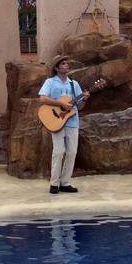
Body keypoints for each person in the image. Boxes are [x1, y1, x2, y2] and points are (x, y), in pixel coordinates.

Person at [38, 55, 90, 194]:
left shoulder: (74, 84)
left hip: (72, 122)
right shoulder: (50, 82)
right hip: (57, 121)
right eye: (64, 63)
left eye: (67, 63)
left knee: (72, 153)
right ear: (57, 68)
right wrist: (61, 103)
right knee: (58, 152)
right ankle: (54, 183)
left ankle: (65, 183)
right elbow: (42, 98)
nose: (67, 65)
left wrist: (84, 98)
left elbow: (79, 107)